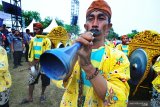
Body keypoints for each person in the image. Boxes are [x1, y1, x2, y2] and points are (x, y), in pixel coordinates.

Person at [51, 0, 130, 107]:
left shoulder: (119, 57)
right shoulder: (73, 49)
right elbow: (58, 76)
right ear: (86, 26)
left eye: (101, 18)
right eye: (90, 19)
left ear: (108, 28)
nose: (95, 24)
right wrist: (72, 55)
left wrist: (88, 67)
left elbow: (118, 99)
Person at [21, 23, 51, 104]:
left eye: (37, 29)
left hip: (44, 64)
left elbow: (46, 53)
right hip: (34, 64)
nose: (35, 31)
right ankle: (30, 97)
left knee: (44, 81)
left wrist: (36, 61)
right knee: (31, 81)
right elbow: (30, 52)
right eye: (34, 29)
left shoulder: (47, 40)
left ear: (41, 30)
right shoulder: (33, 39)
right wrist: (30, 62)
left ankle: (42, 95)